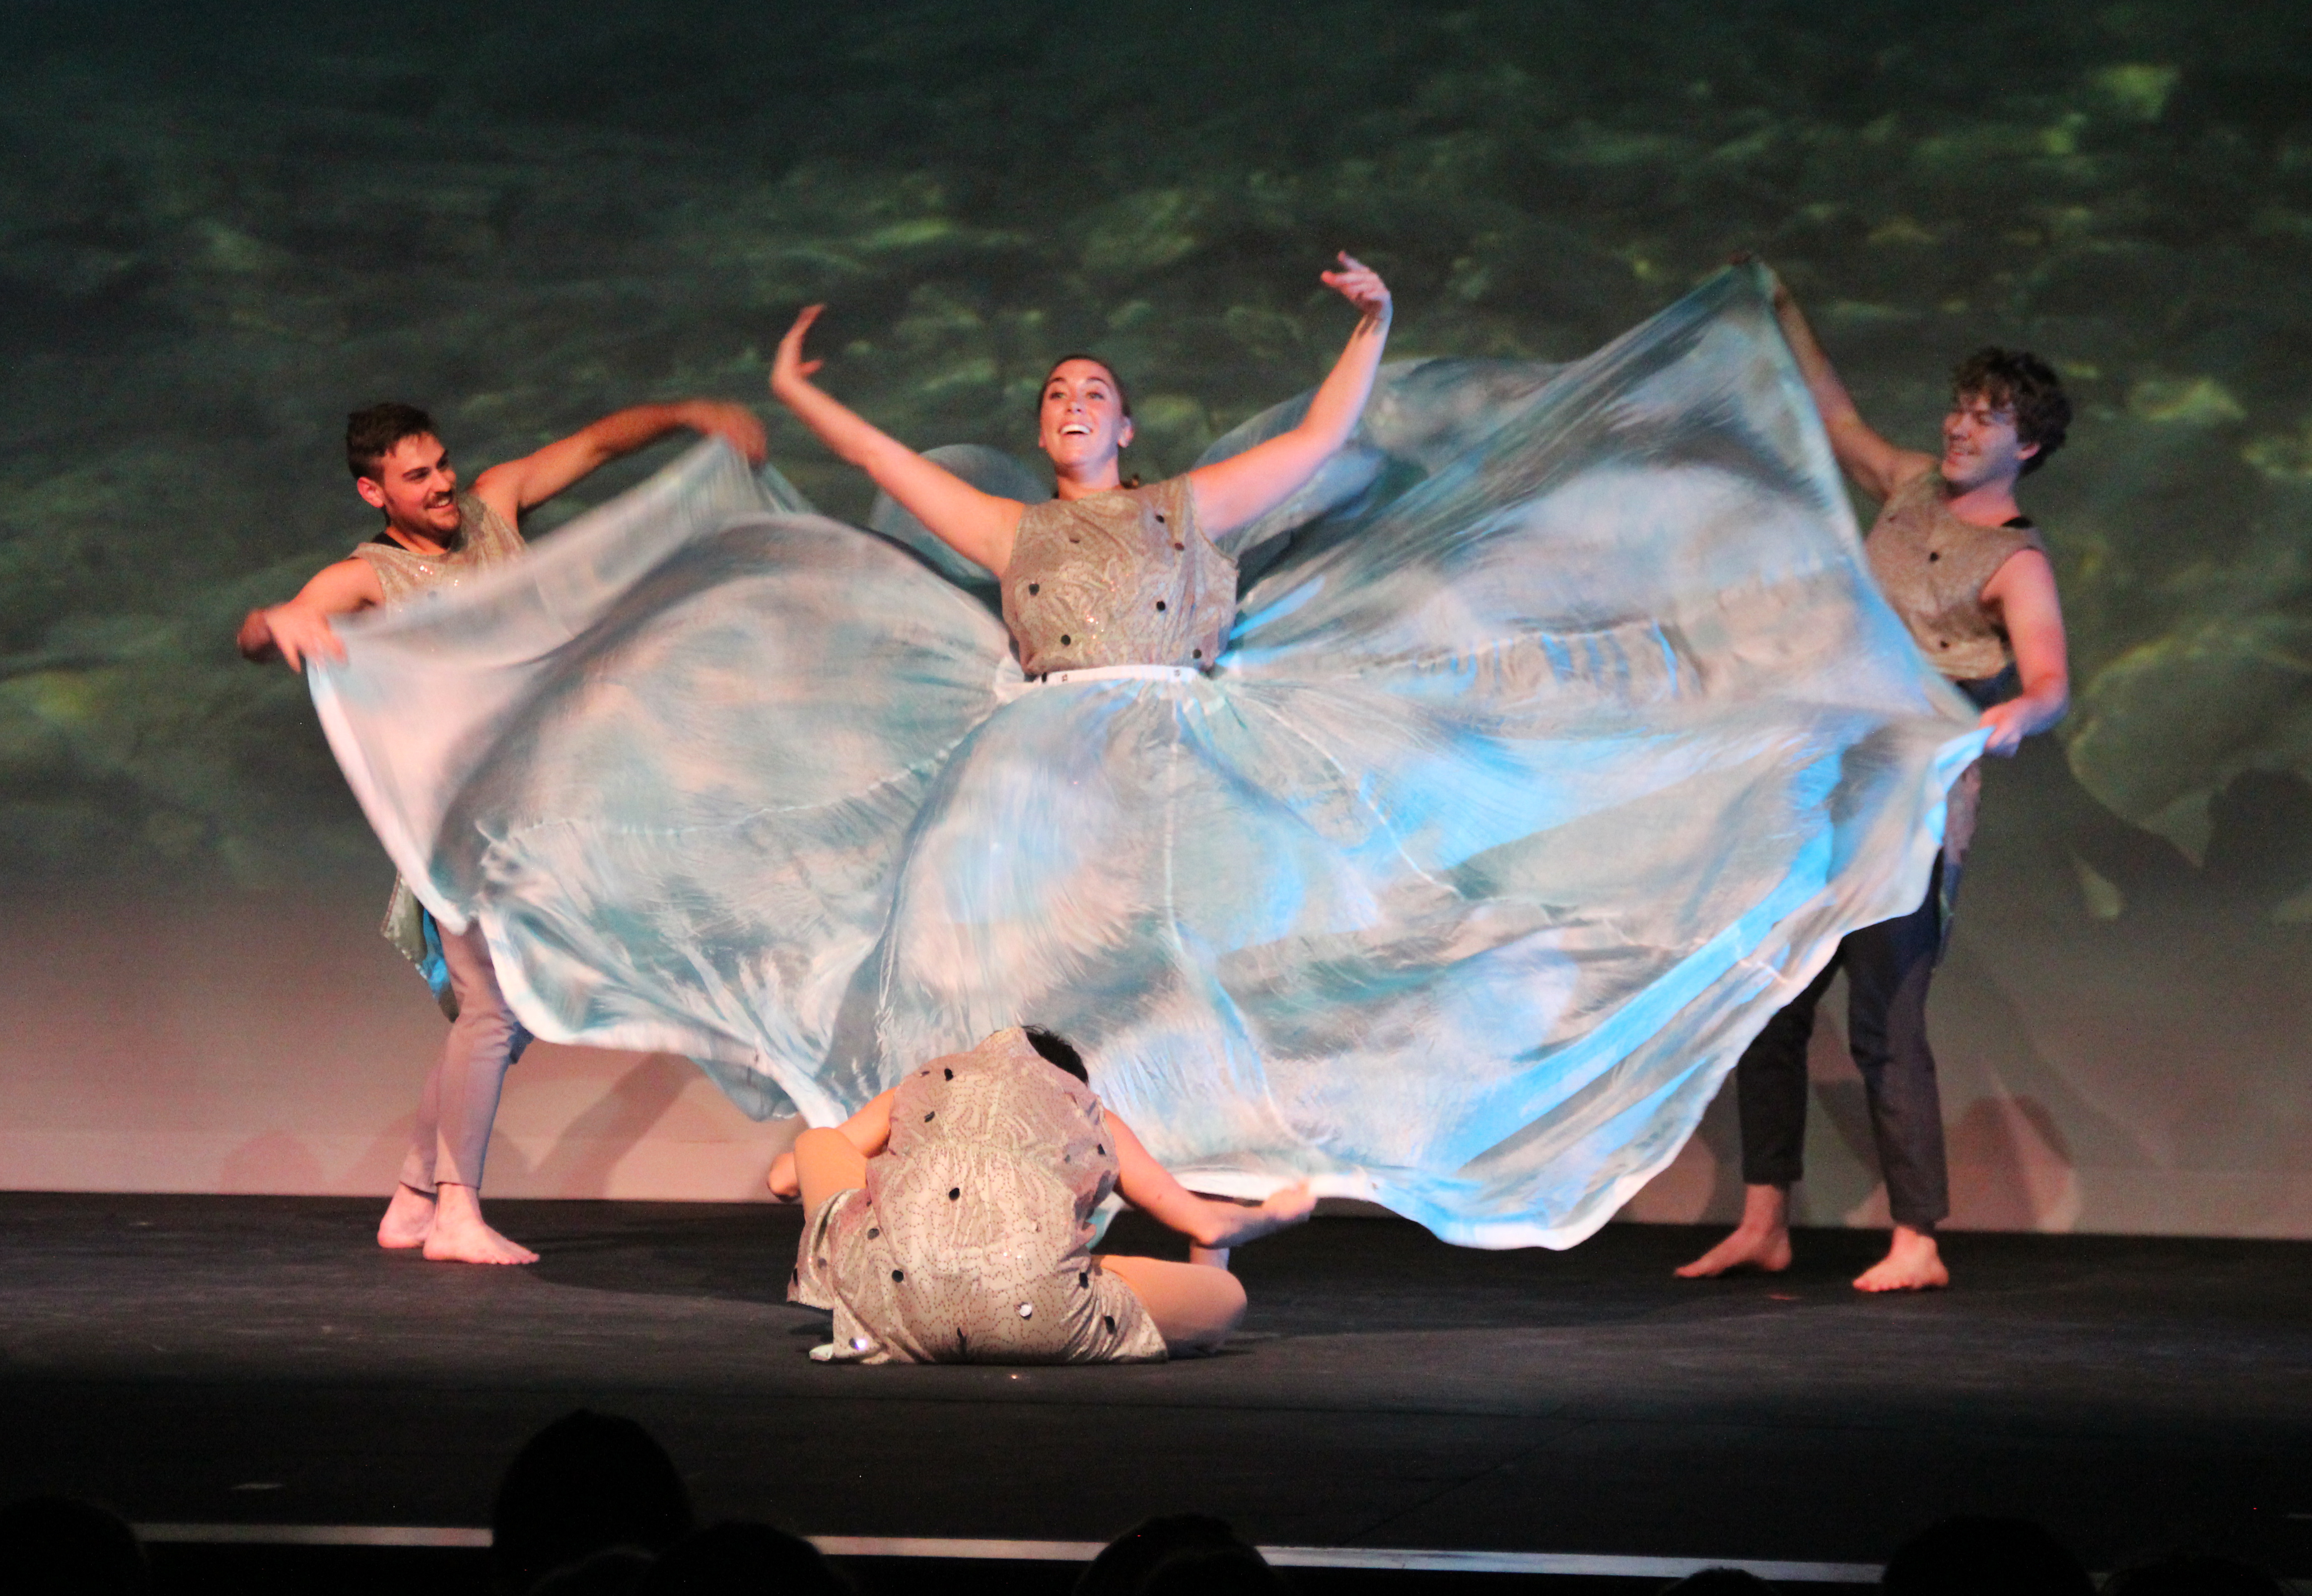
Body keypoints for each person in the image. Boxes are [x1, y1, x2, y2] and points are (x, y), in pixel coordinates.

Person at [303, 260, 1985, 1250]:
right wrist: (799, 395)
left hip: (1172, 751)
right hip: (1031, 760)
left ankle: (1174, 1185)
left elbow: (1322, 437)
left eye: (1089, 388)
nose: (1067, 399)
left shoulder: (1185, 505)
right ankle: (899, 1162)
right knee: (968, 959)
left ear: (1124, 422)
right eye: (1051, 390)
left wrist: (1373, 323)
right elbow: (887, 465)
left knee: (1192, 964)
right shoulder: (1014, 525)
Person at [239, 396, 765, 1264]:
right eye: (417, 476)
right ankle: (455, 1212)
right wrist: (275, 623)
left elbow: (595, 442)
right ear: (374, 491)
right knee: (490, 1010)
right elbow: (268, 628)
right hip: (458, 821)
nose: (442, 483)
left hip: (539, 804)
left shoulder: (496, 507)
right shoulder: (368, 576)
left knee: (506, 1015)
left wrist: (686, 414)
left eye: (442, 463)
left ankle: (415, 1198)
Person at [1677, 268, 2072, 1292]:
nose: (1960, 427)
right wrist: (1786, 312)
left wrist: (2014, 717)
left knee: (1884, 1023)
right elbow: (1837, 417)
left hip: (1911, 811)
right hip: (1825, 783)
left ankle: (1917, 1241)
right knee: (1772, 1005)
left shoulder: (2014, 562)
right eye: (1960, 407)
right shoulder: (1907, 486)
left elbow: (2050, 682)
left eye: (1987, 418)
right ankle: (1765, 1219)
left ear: (2026, 446)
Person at [768, 1025, 1313, 1361]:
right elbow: (1206, 1224)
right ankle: (1198, 1323)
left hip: (889, 1305)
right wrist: (1276, 1212)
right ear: (1071, 1081)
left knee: (818, 1142)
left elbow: (782, 1180)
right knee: (1223, 1297)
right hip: (1044, 1312)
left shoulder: (920, 1087)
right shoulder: (1088, 1111)